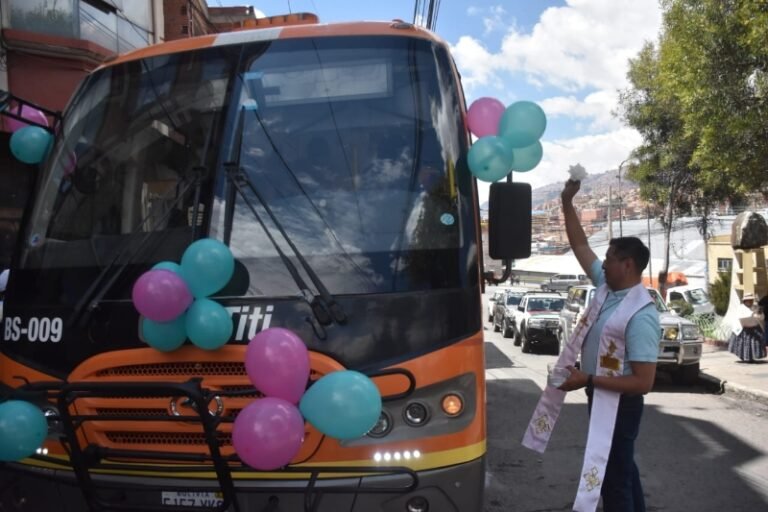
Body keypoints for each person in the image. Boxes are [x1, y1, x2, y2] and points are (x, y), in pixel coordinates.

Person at [523, 179, 661, 512]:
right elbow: (581, 245)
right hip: (598, 395)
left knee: (613, 480)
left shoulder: (640, 314)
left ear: (627, 265)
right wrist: (567, 201)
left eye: (610, 259)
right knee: (621, 468)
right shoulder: (606, 287)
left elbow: (644, 383)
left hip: (619, 405)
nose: (603, 264)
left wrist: (587, 379)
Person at [727, 292, 766, 362]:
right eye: (749, 300)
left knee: (755, 343)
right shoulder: (741, 308)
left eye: (751, 300)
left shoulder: (754, 307)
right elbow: (742, 317)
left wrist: (759, 313)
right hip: (744, 328)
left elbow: (760, 316)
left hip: (754, 327)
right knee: (744, 344)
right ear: (745, 301)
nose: (750, 302)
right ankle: (745, 357)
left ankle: (751, 357)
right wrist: (753, 313)